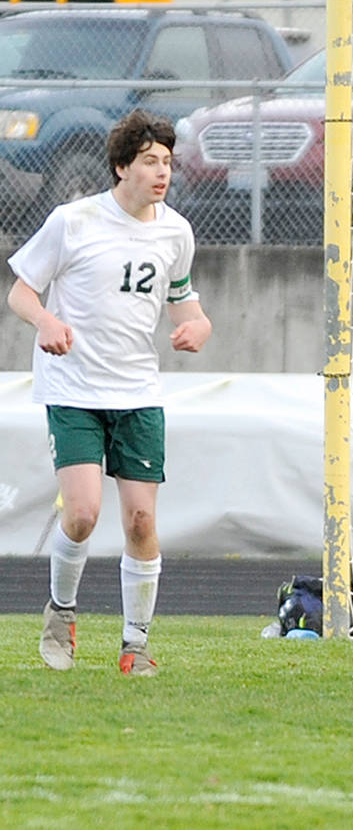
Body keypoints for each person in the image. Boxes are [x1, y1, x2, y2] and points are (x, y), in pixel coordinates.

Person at [6, 109, 211, 676]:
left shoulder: (176, 231)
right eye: (150, 161)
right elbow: (22, 292)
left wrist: (199, 325)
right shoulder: (73, 221)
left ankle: (135, 645)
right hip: (72, 389)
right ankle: (61, 612)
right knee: (82, 515)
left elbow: (184, 299)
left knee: (142, 522)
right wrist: (46, 323)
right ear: (122, 167)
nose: (162, 172)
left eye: (167, 162)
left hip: (138, 393)